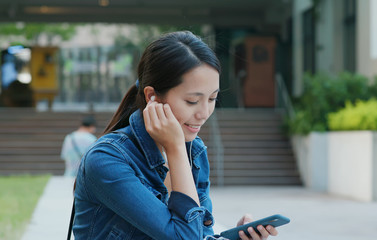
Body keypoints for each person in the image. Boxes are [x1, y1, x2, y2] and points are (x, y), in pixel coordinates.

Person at [72, 31, 279, 240]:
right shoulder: (107, 159)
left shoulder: (194, 152)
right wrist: (176, 149)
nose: (204, 113)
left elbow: (197, 235)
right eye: (192, 101)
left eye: (212, 98)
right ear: (152, 96)